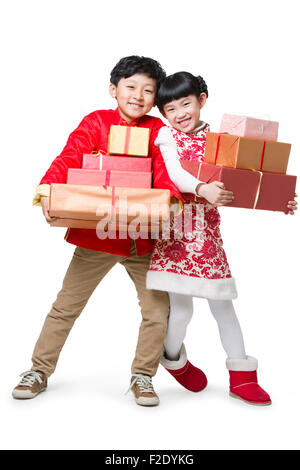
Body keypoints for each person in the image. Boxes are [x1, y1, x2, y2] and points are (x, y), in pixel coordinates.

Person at [12, 56, 183, 407]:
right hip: (98, 236)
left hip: (142, 238)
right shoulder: (96, 122)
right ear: (113, 89)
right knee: (66, 306)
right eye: (130, 87)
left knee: (156, 311)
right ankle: (38, 371)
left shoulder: (157, 130)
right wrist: (49, 189)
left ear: (155, 98)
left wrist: (171, 201)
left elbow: (167, 170)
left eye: (148, 90)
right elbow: (71, 154)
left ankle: (143, 376)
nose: (138, 95)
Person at [146, 71, 297, 405]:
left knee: (223, 306)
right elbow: (174, 172)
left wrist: (278, 200)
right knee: (182, 312)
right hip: (175, 234)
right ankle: (173, 359)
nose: (180, 113)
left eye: (186, 103)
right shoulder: (166, 138)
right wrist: (201, 188)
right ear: (163, 115)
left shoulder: (221, 141)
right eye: (170, 109)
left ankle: (242, 378)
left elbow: (246, 180)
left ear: (201, 100)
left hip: (208, 237)